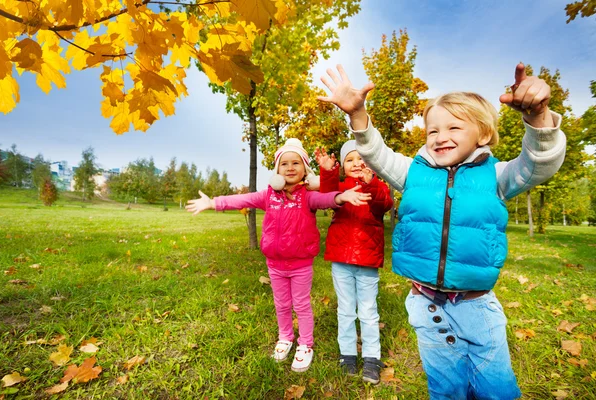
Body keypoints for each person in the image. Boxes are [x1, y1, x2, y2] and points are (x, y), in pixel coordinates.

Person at [318, 64, 566, 398]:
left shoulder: (497, 176)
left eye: (453, 127)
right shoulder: (413, 173)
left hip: (477, 307)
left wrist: (538, 119)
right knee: (445, 390)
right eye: (432, 130)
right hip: (427, 306)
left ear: (482, 134)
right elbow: (376, 154)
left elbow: (539, 163)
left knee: (498, 391)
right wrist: (359, 115)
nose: (440, 136)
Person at [186, 138, 371, 373]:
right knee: (282, 304)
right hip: (274, 265)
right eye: (285, 164)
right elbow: (242, 200)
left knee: (301, 305)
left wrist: (340, 197)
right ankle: (285, 337)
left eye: (296, 163)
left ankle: (305, 344)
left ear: (305, 169)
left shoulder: (307, 197)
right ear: (277, 170)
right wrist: (213, 202)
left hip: (301, 265)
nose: (290, 167)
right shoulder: (268, 196)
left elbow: (325, 198)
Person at [314, 141, 393, 384]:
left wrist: (372, 183)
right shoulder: (340, 186)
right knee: (346, 310)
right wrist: (327, 171)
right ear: (343, 167)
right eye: (350, 160)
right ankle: (347, 354)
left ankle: (371, 357)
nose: (357, 163)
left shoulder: (378, 186)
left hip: (367, 259)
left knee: (368, 311)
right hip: (341, 259)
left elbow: (384, 205)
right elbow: (327, 195)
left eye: (362, 158)